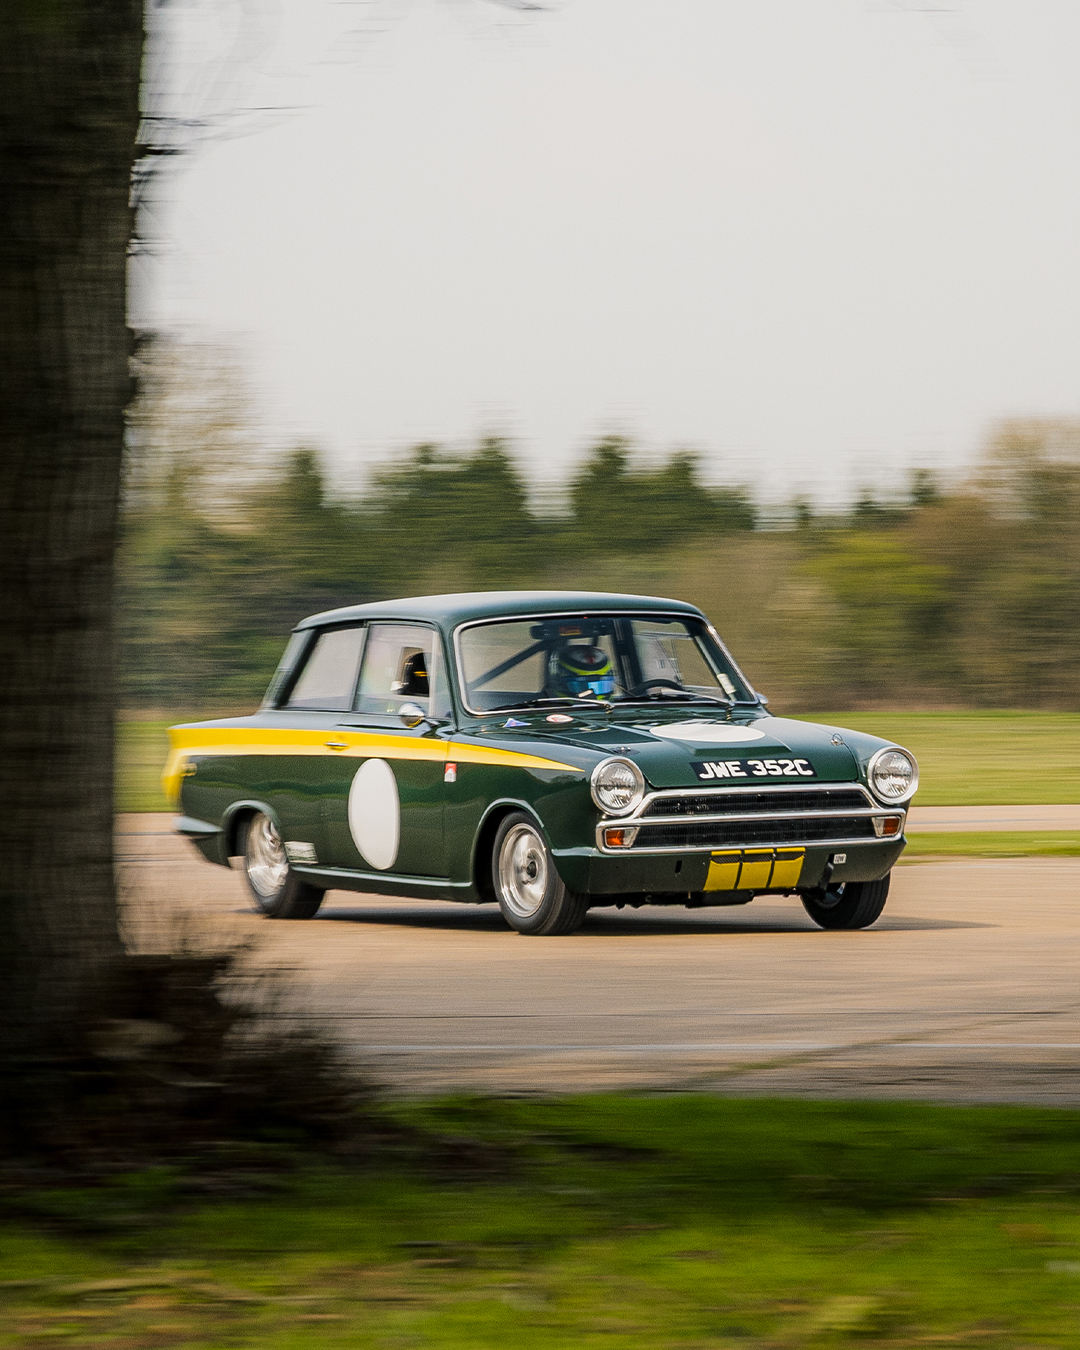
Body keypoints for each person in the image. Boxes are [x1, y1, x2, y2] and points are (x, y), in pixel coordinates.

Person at [548, 645, 616, 698]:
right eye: (581, 686)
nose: (593, 696)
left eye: (602, 686)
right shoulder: (542, 709)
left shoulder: (620, 707)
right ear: (559, 684)